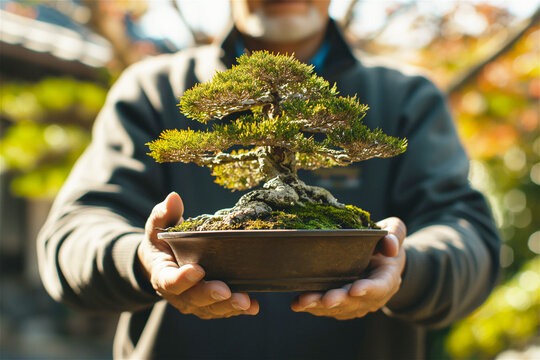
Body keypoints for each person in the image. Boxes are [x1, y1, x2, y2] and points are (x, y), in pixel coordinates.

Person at [37, 1, 501, 359]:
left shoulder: (404, 99)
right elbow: (72, 234)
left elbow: (471, 237)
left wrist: (405, 267)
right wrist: (140, 260)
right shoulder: (155, 92)